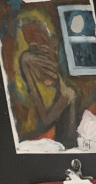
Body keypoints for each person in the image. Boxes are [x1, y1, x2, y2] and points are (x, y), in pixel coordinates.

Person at [17, 19, 80, 148]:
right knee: (66, 138)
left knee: (68, 138)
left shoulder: (44, 51)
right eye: (40, 31)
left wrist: (51, 49)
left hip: (66, 98)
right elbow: (50, 76)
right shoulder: (28, 58)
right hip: (62, 99)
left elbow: (54, 71)